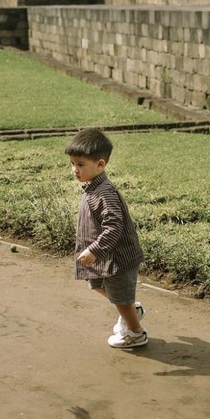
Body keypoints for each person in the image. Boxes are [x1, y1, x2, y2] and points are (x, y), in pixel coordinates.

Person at [66, 128, 147, 348]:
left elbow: (114, 227)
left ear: (100, 164)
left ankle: (135, 333)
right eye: (72, 163)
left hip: (118, 258)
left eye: (80, 164)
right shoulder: (92, 188)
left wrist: (94, 250)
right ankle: (133, 309)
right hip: (104, 257)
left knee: (120, 296)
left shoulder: (104, 193)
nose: (75, 169)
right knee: (95, 284)